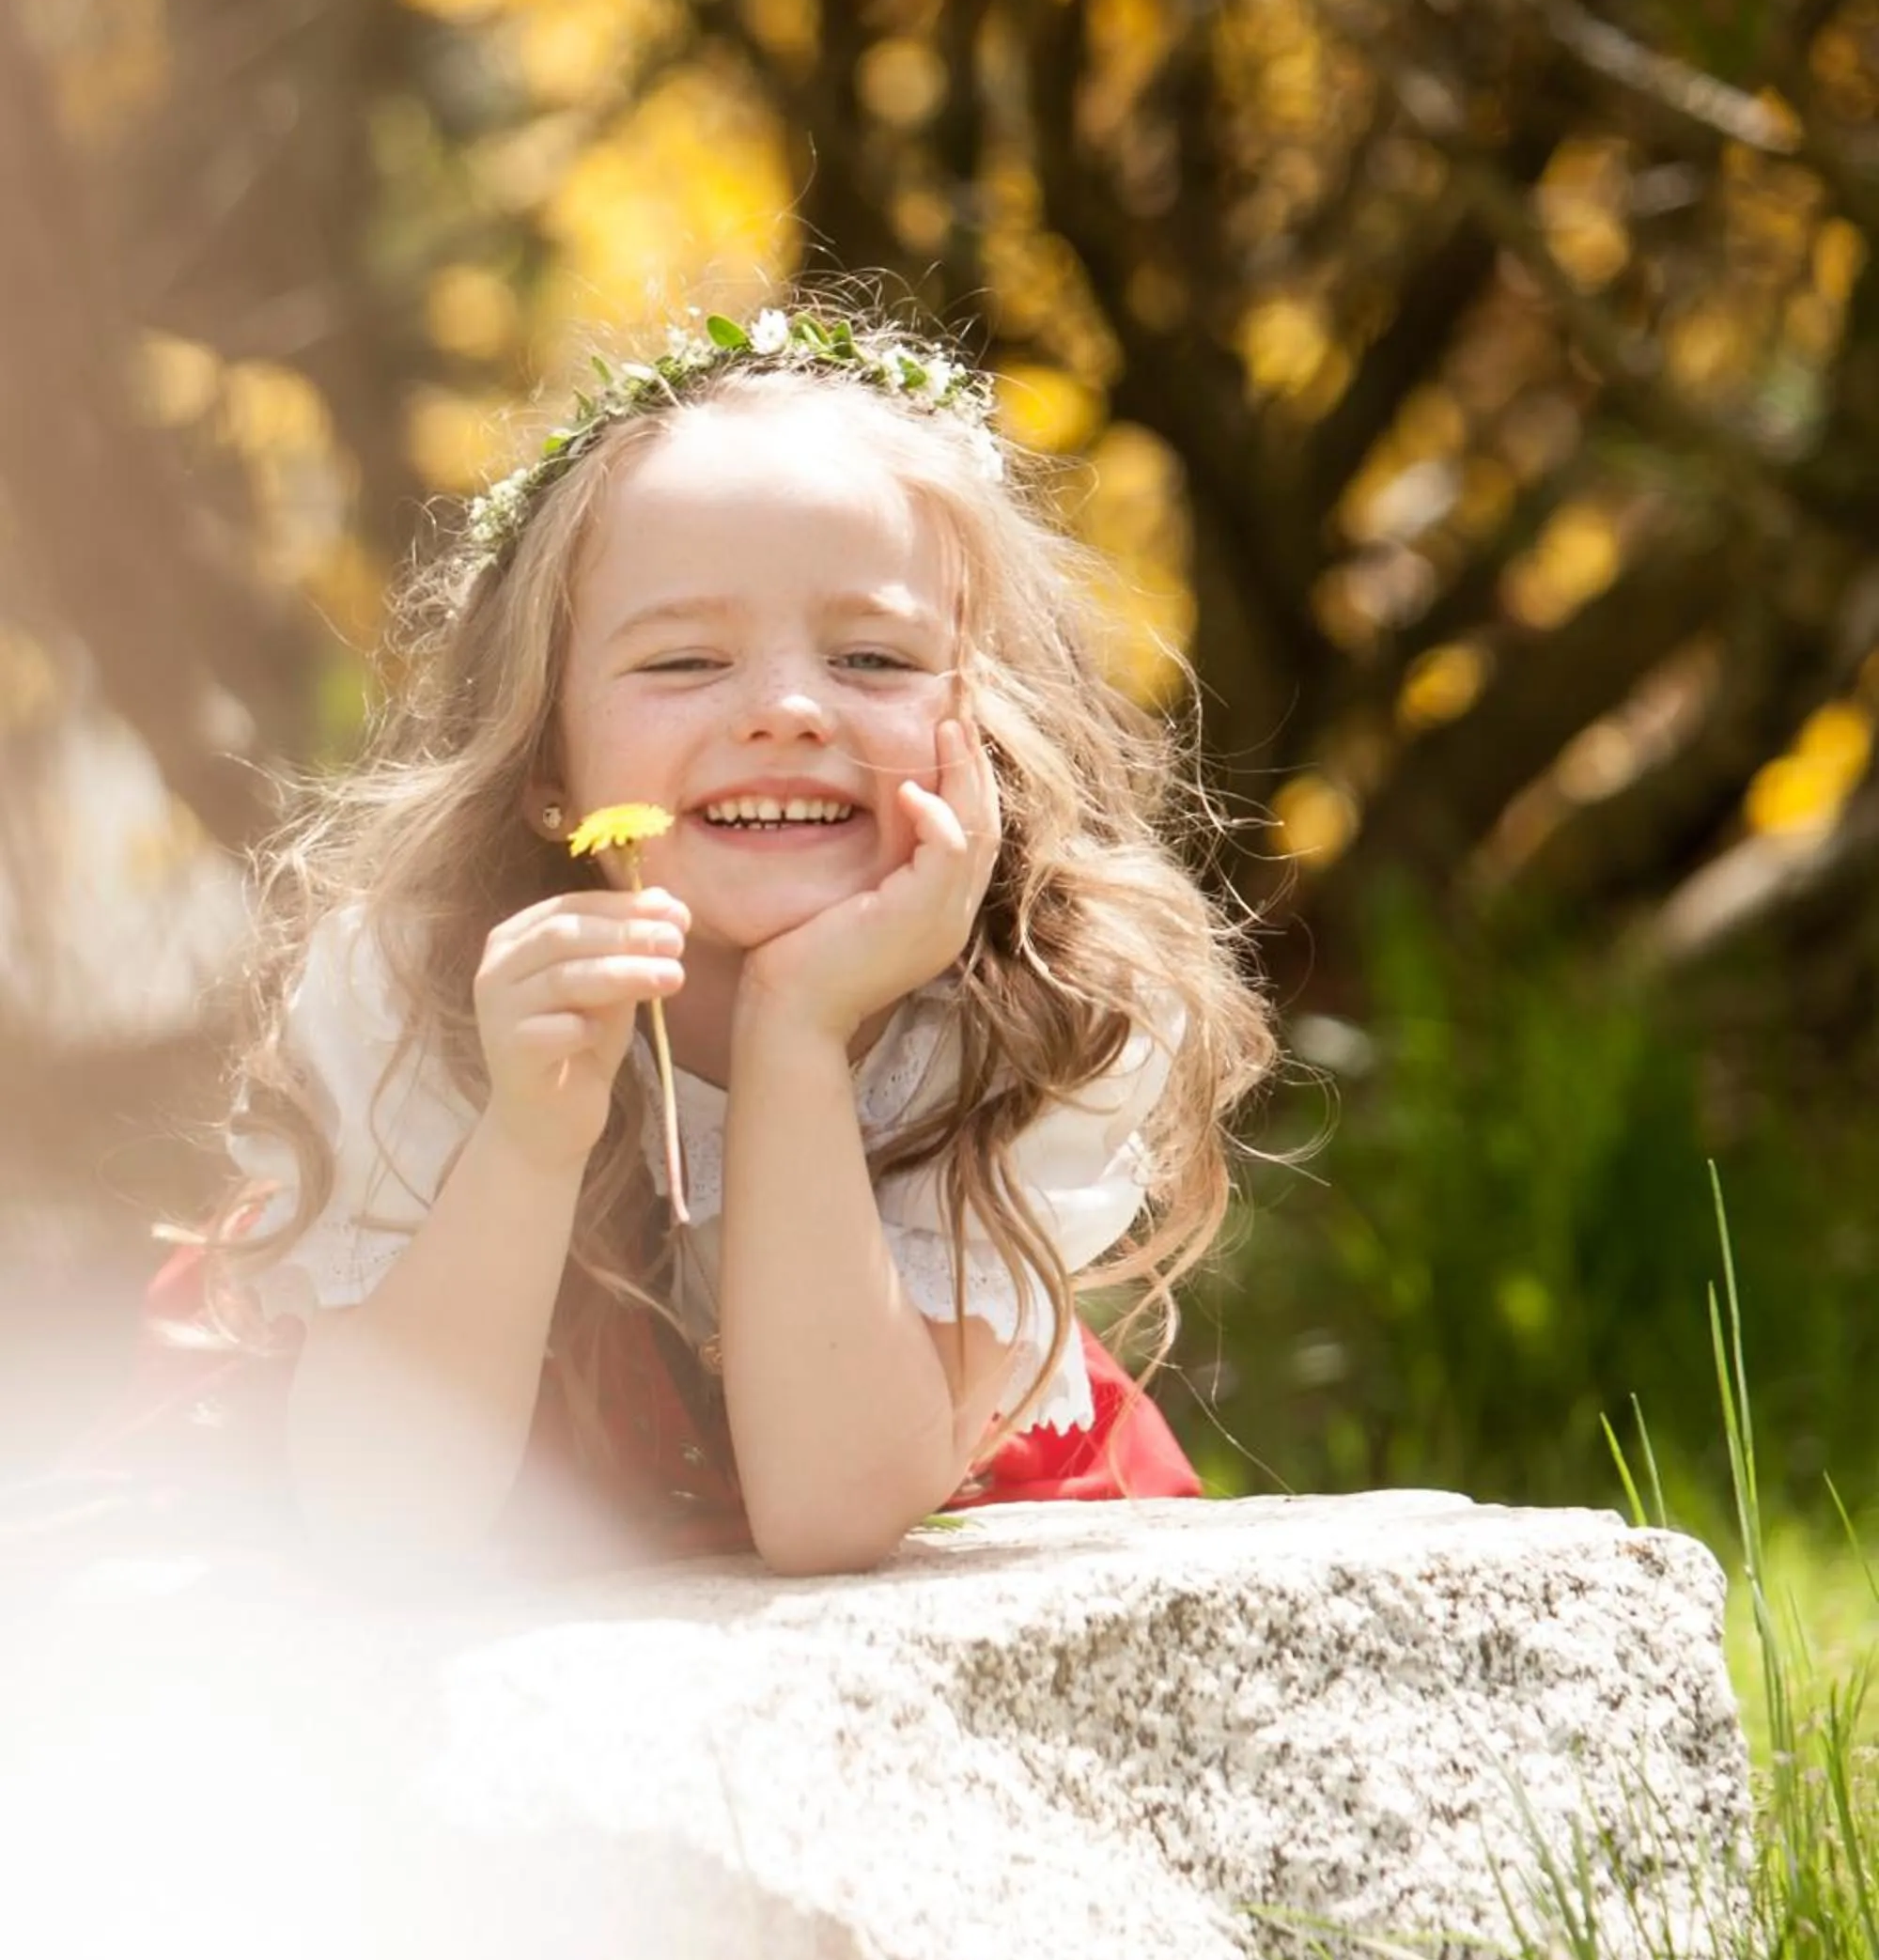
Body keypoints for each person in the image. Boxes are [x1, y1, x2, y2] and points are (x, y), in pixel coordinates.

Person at [151, 303, 1276, 1574]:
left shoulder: (1029, 1003)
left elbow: (826, 1516)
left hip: (907, 1448)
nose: (788, 710)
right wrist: (526, 1141)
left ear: (987, 731)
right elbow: (382, 1520)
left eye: (871, 655)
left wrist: (799, 1027)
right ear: (546, 768)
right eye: (684, 662)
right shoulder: (420, 988)